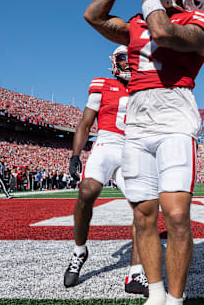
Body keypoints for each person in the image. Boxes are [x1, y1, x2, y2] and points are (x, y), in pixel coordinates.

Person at [84, 0, 204, 305]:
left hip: (174, 118)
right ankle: (155, 295)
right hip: (137, 122)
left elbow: (162, 33)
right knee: (144, 216)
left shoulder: (201, 23)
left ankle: (175, 300)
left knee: (175, 216)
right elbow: (93, 16)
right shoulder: (137, 22)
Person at [63, 46, 148, 296]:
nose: (128, 64)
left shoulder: (146, 89)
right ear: (114, 62)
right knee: (87, 192)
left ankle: (135, 273)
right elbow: (86, 122)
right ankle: (79, 250)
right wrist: (75, 155)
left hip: (133, 147)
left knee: (142, 207)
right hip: (106, 143)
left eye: (132, 59)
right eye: (124, 59)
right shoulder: (102, 84)